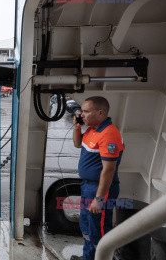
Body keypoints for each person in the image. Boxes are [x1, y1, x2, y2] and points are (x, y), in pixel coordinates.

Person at [70, 96, 124, 260]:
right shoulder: (93, 129)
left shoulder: (109, 135)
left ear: (100, 113)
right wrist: (76, 127)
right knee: (86, 225)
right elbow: (78, 144)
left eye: (86, 111)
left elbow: (108, 170)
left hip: (100, 189)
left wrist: (99, 198)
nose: (82, 114)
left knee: (98, 228)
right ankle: (88, 257)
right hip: (88, 187)